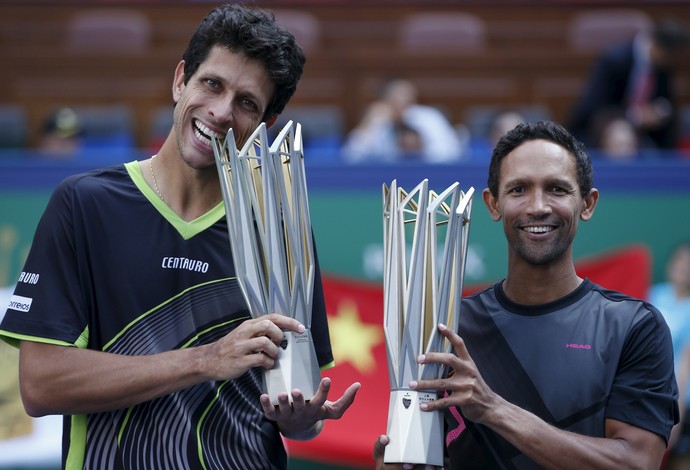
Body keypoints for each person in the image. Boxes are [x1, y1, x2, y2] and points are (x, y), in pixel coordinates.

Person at [0, 5, 360, 469]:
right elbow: (41, 385)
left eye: (247, 103)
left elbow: (300, 411)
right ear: (180, 81)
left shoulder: (280, 227)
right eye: (212, 84)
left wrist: (301, 418)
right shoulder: (83, 205)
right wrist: (206, 359)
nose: (222, 112)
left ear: (264, 127)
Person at [373, 121, 678, 469]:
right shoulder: (447, 328)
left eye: (557, 189)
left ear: (587, 204)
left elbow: (637, 463)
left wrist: (493, 409)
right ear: (493, 204)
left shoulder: (634, 327)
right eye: (519, 189)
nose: (537, 207)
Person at [568, 17, 690, 152]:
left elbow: (667, 101)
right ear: (659, 48)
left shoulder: (664, 66)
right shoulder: (613, 61)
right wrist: (634, 117)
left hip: (647, 134)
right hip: (608, 126)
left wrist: (661, 111)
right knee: (621, 135)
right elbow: (595, 108)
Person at [342, 78, 464, 163]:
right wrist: (368, 124)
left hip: (429, 178)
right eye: (399, 95)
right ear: (385, 98)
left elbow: (453, 152)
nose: (405, 100)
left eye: (408, 95)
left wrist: (419, 152)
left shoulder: (429, 117)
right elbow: (351, 156)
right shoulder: (378, 119)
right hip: (385, 182)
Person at [649, 241, 690, 470]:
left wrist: (678, 416)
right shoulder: (654, 295)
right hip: (652, 396)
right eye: (679, 261)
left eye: (689, 264)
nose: (683, 267)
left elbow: (685, 365)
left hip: (679, 402)